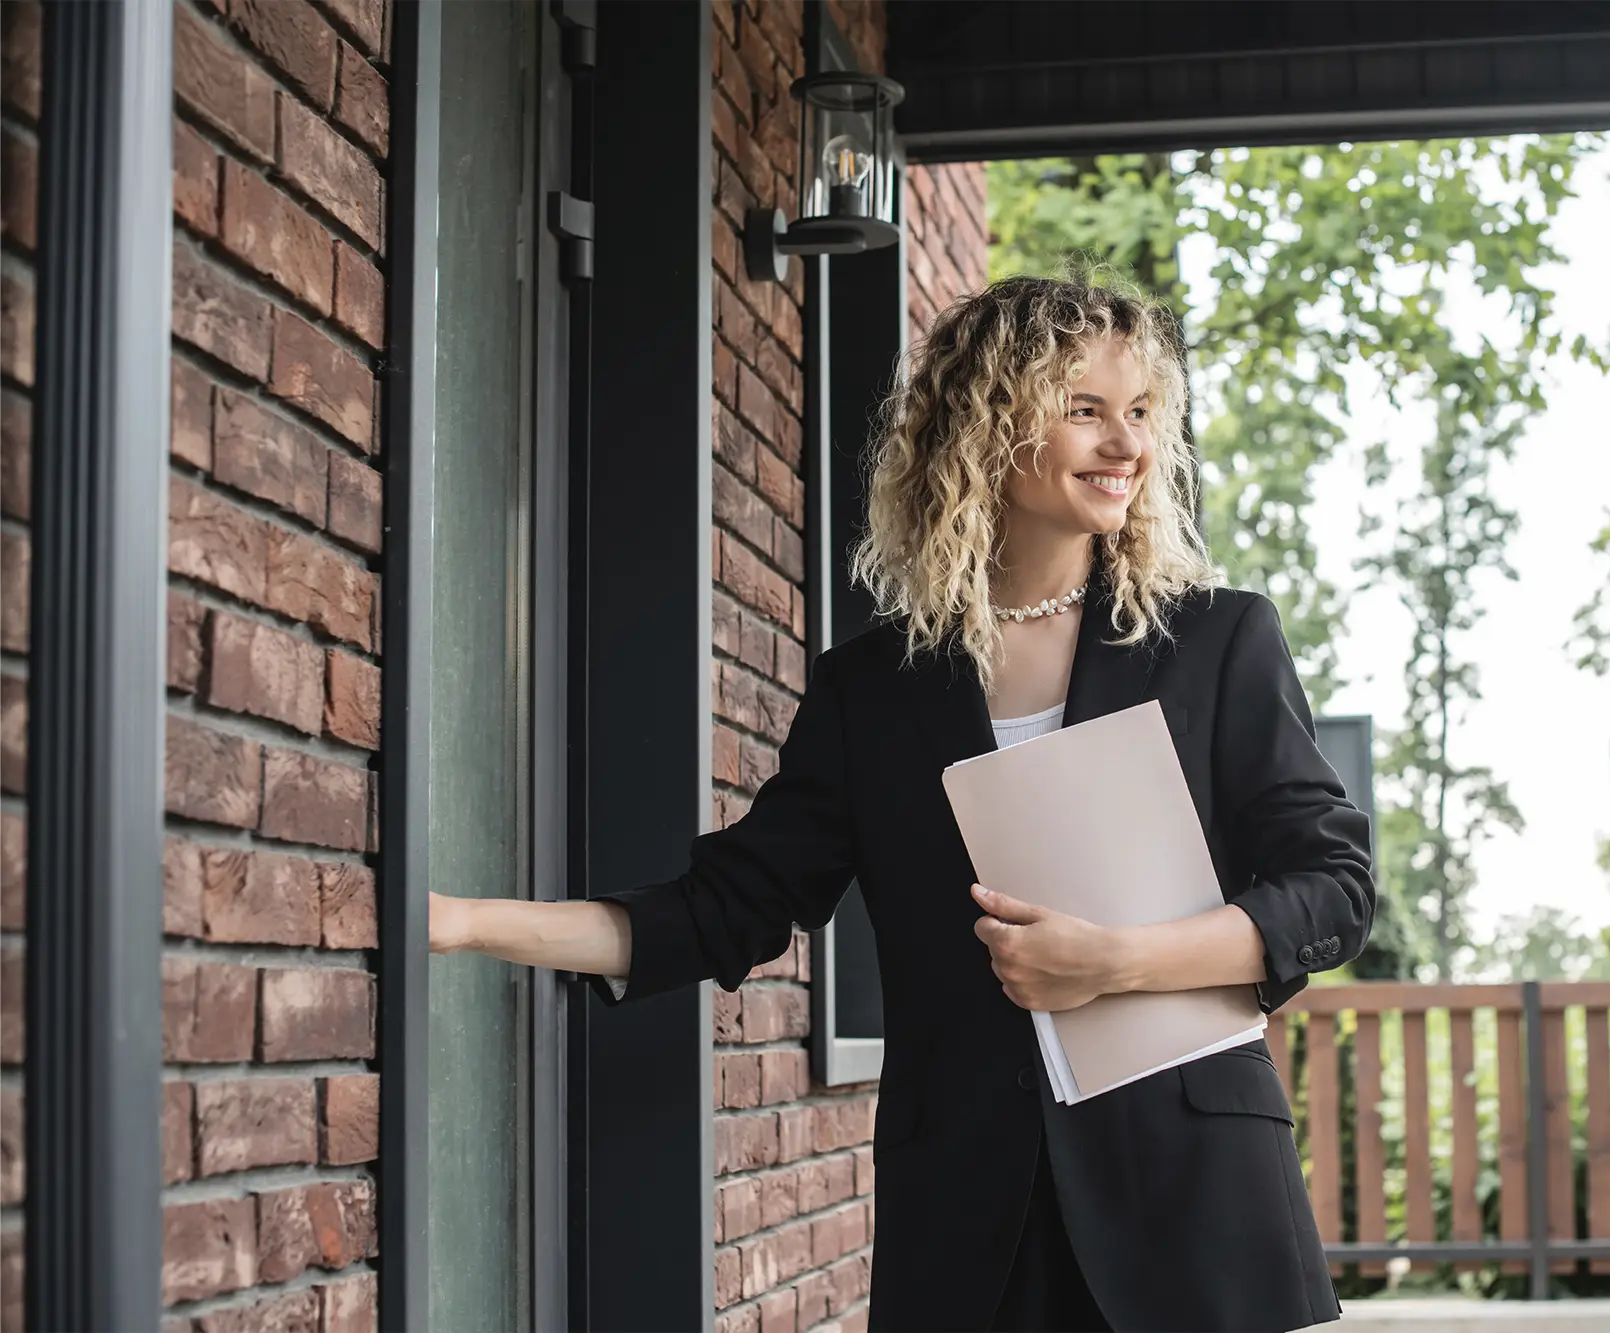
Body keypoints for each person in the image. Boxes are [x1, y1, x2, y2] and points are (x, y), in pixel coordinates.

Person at [429, 275, 1375, 1332]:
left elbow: (1332, 889)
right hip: (973, 1222)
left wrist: (1115, 963)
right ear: (983, 425)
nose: (1127, 445)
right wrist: (459, 925)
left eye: (1142, 412)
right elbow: (721, 910)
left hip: (1197, 1201)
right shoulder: (871, 692)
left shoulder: (1216, 639)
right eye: (1084, 409)